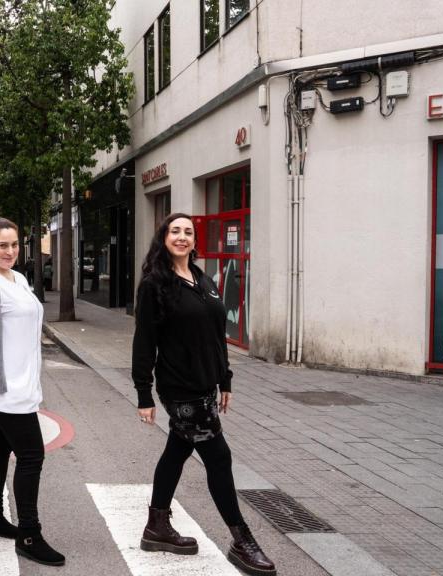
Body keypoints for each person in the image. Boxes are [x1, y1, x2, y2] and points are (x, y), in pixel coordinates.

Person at [131, 213, 275, 576]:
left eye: (188, 232)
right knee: (219, 458)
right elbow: (144, 341)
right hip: (180, 388)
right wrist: (143, 394)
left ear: (195, 240)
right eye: (175, 231)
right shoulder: (155, 284)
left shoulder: (202, 279)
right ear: (164, 237)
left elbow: (216, 335)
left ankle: (157, 526)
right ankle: (242, 540)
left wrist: (225, 380)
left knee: (177, 450)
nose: (182, 237)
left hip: (206, 385)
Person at [0, 217, 65, 567]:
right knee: (32, 456)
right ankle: (29, 533)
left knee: (0, 445)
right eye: (2, 245)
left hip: (24, 384)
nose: (9, 251)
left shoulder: (18, 279)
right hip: (5, 388)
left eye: (14, 244)